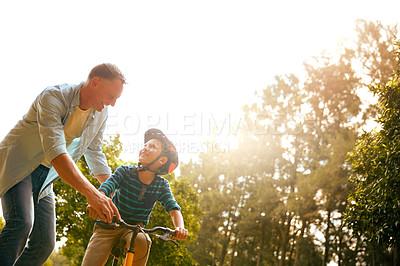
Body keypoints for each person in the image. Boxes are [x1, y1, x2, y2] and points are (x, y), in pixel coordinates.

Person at [0, 63, 125, 265]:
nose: (112, 103)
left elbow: (94, 152)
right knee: (21, 224)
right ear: (95, 82)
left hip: (46, 174)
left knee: (44, 243)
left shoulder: (100, 113)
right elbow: (56, 152)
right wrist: (92, 194)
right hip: (20, 164)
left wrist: (115, 195)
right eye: (111, 96)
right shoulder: (53, 97)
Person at [82, 128, 188, 266]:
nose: (145, 148)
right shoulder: (125, 171)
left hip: (135, 229)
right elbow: (107, 186)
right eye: (145, 145)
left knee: (142, 240)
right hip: (109, 224)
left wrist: (180, 227)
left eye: (152, 146)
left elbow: (173, 208)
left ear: (162, 160)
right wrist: (97, 201)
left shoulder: (161, 185)